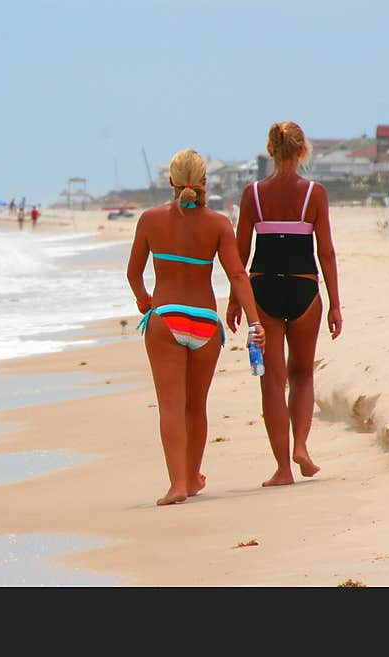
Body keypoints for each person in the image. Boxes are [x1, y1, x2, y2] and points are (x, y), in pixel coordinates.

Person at [127, 149, 266, 506]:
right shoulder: (218, 224)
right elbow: (237, 274)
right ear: (205, 182)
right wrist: (254, 322)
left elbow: (133, 274)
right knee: (196, 406)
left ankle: (177, 485)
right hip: (205, 322)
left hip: (167, 316)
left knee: (171, 406)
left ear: (171, 181)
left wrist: (146, 302)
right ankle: (191, 478)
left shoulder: (149, 220)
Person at [226, 121, 342, 487]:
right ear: (301, 150)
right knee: (303, 374)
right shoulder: (314, 194)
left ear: (271, 151)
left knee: (272, 383)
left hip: (263, 294)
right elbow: (325, 251)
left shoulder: (254, 194)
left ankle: (282, 470)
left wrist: (234, 300)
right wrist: (336, 303)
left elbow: (240, 254)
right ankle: (302, 446)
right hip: (305, 291)